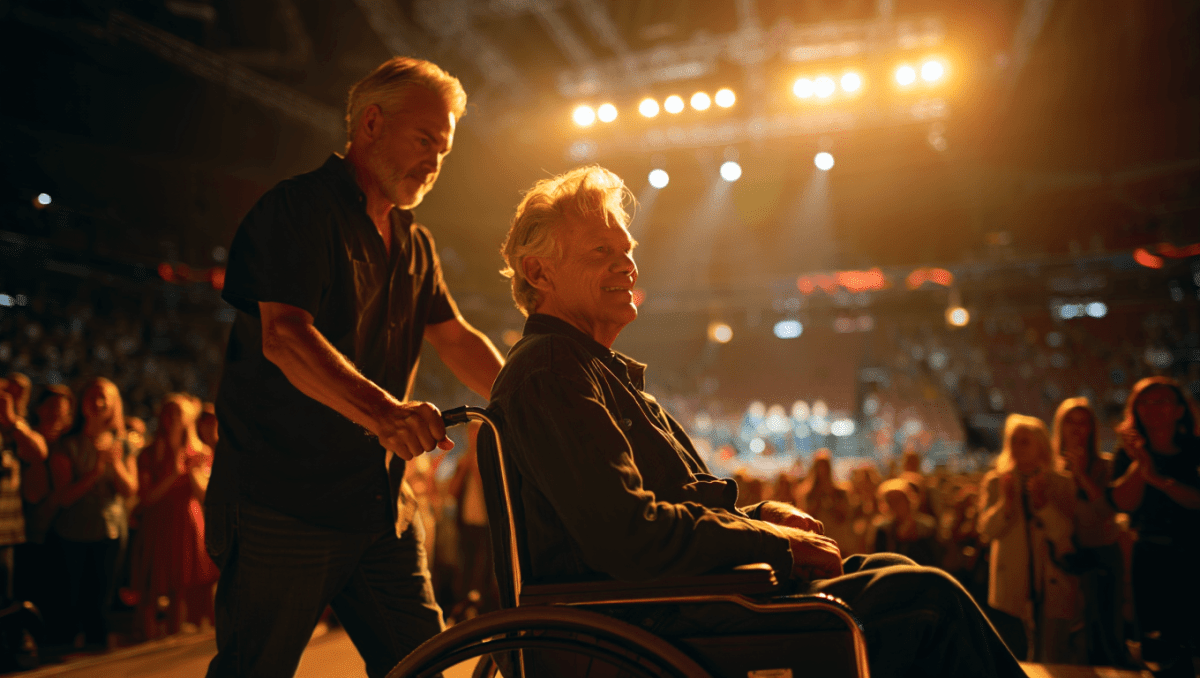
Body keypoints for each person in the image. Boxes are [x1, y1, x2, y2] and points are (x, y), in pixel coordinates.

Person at [488, 165, 1027, 678]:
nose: (627, 265)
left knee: (892, 567)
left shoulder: (590, 370)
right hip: (644, 620)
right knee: (927, 599)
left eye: (627, 251)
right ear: (538, 271)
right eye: (601, 251)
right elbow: (629, 534)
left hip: (679, 602)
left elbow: (670, 512)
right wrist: (772, 542)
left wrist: (761, 515)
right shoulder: (553, 371)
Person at [204, 56, 503, 678]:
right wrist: (386, 415)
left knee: (422, 664)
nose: (434, 162)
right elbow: (285, 336)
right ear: (371, 124)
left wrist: (529, 399)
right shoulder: (298, 210)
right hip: (284, 506)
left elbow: (454, 337)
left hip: (380, 510)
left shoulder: (415, 242)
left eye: (443, 151)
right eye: (425, 140)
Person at [1108, 378, 1200, 678]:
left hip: (1192, 554)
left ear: (1178, 410)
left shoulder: (1193, 450)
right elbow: (1123, 502)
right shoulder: (1128, 455)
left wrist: (1157, 479)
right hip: (1150, 555)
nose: (1152, 408)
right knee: (1156, 647)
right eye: (1144, 403)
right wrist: (1140, 464)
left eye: (1160, 401)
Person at [979, 414, 1082, 664]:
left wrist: (1043, 504)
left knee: (1050, 656)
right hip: (1011, 585)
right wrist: (1006, 503)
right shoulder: (996, 482)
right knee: (1012, 654)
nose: (1017, 447)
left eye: (1025, 441)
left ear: (1041, 445)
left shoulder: (1060, 484)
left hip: (1051, 579)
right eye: (1013, 440)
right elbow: (986, 530)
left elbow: (1065, 534)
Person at [48, 377, 138, 649]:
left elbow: (130, 489)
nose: (98, 403)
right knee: (70, 602)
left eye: (105, 398)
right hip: (72, 533)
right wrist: (96, 471)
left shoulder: (123, 444)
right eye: (92, 396)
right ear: (82, 402)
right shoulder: (66, 444)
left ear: (114, 406)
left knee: (100, 602)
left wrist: (116, 464)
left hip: (110, 532)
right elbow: (64, 497)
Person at [132, 394, 217, 639]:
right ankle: (149, 642)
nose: (171, 418)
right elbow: (147, 498)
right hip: (158, 522)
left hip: (188, 523)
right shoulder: (149, 453)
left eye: (177, 413)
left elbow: (204, 496)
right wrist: (173, 474)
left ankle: (178, 637)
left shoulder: (200, 452)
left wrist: (192, 473)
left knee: (184, 585)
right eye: (167, 412)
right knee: (154, 584)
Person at [1051, 397, 1126, 666]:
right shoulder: (1050, 467)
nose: (1076, 428)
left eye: (1083, 423)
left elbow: (1105, 511)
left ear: (1092, 429)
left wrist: (1081, 475)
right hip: (1063, 558)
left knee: (1104, 633)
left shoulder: (1104, 465)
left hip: (1100, 554)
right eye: (1070, 421)